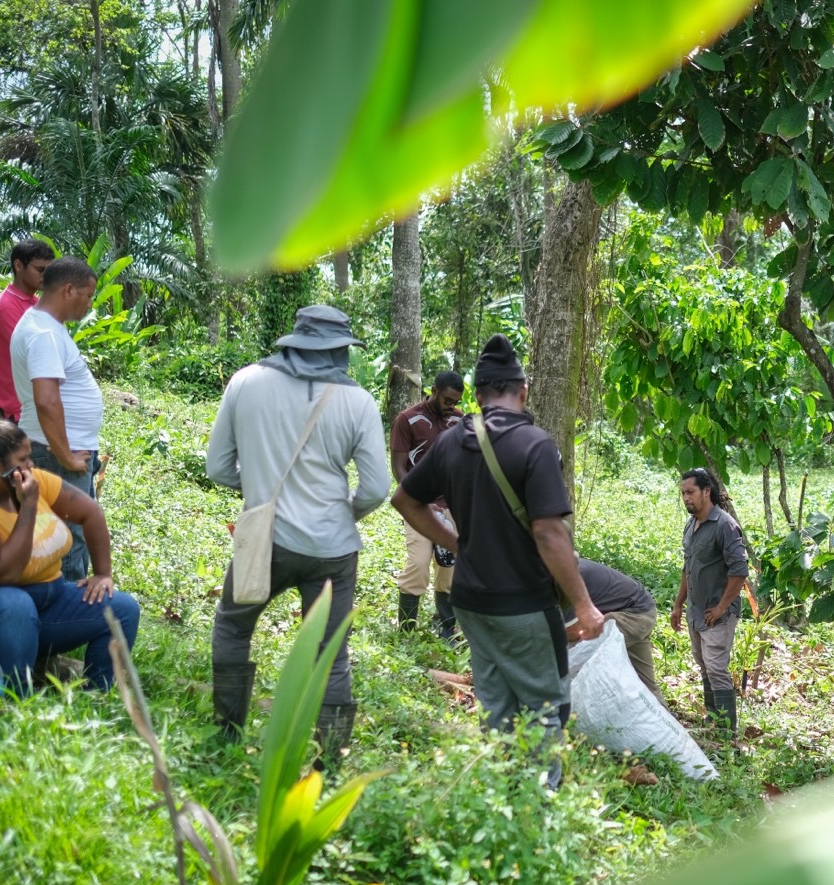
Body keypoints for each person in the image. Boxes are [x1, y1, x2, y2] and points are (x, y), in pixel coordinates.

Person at [393, 334, 603, 788]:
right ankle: (537, 808)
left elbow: (405, 501)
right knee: (545, 707)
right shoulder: (534, 444)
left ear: (479, 394)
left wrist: (456, 540)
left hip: (470, 601)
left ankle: (502, 796)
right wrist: (584, 606)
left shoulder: (452, 442)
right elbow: (549, 532)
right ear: (522, 390)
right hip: (521, 604)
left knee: (496, 705)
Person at [205, 305, 390, 764]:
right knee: (331, 653)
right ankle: (329, 759)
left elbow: (217, 468)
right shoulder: (358, 402)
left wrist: (262, 491)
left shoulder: (245, 382)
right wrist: (346, 512)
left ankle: (227, 733)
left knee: (233, 626)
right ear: (341, 351)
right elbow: (377, 489)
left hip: (264, 538)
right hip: (333, 548)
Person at [0, 419, 139, 697]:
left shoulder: (38, 482)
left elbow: (90, 513)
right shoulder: (28, 495)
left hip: (51, 600)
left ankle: (98, 695)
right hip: (5, 613)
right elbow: (6, 573)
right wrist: (28, 508)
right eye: (22, 461)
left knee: (122, 609)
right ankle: (16, 700)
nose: (30, 468)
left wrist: (102, 574)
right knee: (17, 604)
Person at [9, 257, 103, 581]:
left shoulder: (46, 326)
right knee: (66, 539)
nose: (90, 303)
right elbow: (47, 400)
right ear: (68, 290)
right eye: (88, 295)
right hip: (55, 453)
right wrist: (65, 456)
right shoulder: (43, 333)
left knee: (67, 533)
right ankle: (65, 620)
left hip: (57, 448)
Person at [670, 468, 748, 738]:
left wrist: (722, 607)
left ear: (706, 491)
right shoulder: (691, 526)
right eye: (683, 493)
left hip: (718, 613)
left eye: (690, 492)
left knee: (716, 668)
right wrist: (678, 604)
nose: (686, 498)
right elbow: (687, 567)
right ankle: (713, 717)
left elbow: (739, 571)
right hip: (696, 611)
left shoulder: (724, 525)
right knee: (704, 664)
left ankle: (727, 731)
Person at [390, 370, 464, 643]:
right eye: (446, 399)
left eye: (455, 401)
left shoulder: (459, 420)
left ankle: (445, 628)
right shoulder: (407, 420)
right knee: (419, 563)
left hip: (451, 506)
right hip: (418, 506)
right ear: (433, 390)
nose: (450, 406)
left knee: (449, 568)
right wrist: (421, 500)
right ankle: (406, 631)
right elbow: (399, 468)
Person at [576, 556, 664, 704]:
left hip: (631, 615)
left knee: (578, 658)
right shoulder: (568, 565)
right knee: (644, 681)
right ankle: (668, 723)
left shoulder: (565, 576)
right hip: (644, 610)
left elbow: (568, 629)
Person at [0, 239, 55, 421]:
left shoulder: (36, 303)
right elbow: (36, 354)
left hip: (36, 403)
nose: (46, 276)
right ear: (19, 265)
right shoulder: (5, 307)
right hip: (17, 408)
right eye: (40, 270)